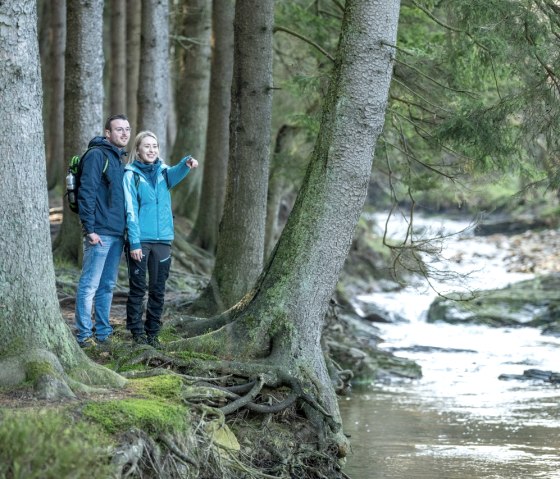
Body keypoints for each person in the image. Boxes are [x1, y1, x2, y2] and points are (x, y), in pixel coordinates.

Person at [123, 131, 198, 347]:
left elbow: (177, 172)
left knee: (158, 289)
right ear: (138, 150)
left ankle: (152, 333)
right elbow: (131, 211)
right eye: (146, 146)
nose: (151, 150)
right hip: (141, 242)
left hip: (163, 240)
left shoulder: (164, 173)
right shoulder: (131, 175)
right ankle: (137, 335)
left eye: (154, 146)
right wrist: (134, 242)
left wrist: (187, 162)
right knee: (138, 289)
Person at [75, 114, 131, 348]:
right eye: (119, 130)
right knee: (90, 284)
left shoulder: (118, 159)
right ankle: (83, 335)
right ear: (107, 133)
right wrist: (89, 228)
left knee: (107, 285)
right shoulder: (97, 155)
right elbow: (86, 192)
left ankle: (103, 332)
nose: (124, 133)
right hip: (99, 233)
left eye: (127, 129)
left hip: (117, 234)